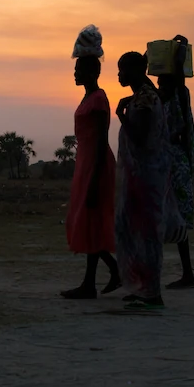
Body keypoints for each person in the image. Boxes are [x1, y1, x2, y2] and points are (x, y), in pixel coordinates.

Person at [111, 51, 168, 308]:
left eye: (122, 70)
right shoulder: (142, 96)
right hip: (140, 177)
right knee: (133, 231)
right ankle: (140, 287)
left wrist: (122, 116)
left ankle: (151, 292)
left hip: (144, 177)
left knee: (145, 233)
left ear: (135, 71)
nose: (119, 75)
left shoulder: (145, 99)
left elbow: (141, 138)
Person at [61, 56, 121, 299]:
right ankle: (98, 279)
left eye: (78, 69)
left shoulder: (98, 99)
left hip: (95, 163)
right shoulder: (89, 97)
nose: (75, 73)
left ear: (91, 71)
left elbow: (101, 140)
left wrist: (95, 178)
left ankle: (97, 280)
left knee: (91, 218)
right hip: (86, 162)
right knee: (87, 220)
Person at [157, 35, 194, 289]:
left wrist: (179, 47)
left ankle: (186, 274)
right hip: (167, 162)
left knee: (175, 218)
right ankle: (186, 273)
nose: (159, 82)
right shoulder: (162, 97)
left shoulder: (178, 93)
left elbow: (178, 72)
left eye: (162, 78)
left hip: (175, 164)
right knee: (166, 217)